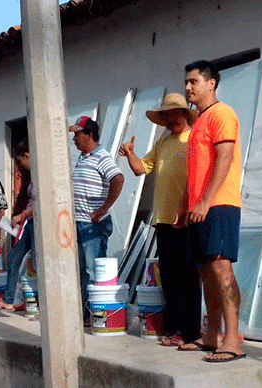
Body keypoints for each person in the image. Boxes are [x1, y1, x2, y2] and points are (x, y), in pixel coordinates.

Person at [119, 93, 201, 347]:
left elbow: (198, 179)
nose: (169, 119)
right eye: (165, 116)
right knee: (169, 275)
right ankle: (175, 327)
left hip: (186, 218)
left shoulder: (194, 140)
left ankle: (190, 330)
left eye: (174, 114)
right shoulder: (164, 143)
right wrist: (130, 154)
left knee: (187, 276)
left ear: (185, 114)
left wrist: (186, 207)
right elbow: (141, 168)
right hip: (163, 220)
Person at [176, 60, 245, 362]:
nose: (188, 88)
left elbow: (225, 157)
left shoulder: (222, 113)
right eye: (186, 83)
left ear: (211, 83)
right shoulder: (196, 125)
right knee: (206, 272)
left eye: (193, 81)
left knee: (221, 269)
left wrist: (205, 201)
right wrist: (186, 205)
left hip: (219, 204)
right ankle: (212, 336)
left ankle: (233, 340)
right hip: (199, 207)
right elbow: (195, 171)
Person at [69, 116, 124, 326]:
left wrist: (103, 208)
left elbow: (118, 179)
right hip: (80, 223)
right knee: (83, 272)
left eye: (77, 134)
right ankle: (86, 315)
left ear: (89, 134)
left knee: (94, 271)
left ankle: (97, 315)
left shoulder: (102, 156)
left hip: (93, 225)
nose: (74, 139)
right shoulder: (83, 157)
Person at [0, 138, 35, 311]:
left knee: (37, 262)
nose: (19, 167)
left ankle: (42, 304)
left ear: (27, 156)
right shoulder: (33, 176)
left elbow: (45, 201)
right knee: (13, 257)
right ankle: (9, 298)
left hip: (37, 223)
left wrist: (24, 214)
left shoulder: (42, 175)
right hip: (30, 223)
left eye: (19, 162)